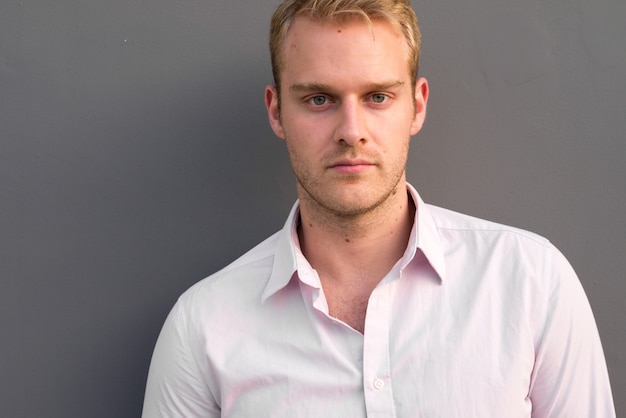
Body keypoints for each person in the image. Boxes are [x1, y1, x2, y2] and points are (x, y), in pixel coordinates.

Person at [142, 0, 615, 416]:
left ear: (417, 105)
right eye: (319, 98)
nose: (352, 130)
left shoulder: (531, 284)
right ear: (275, 111)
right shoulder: (202, 327)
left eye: (378, 97)